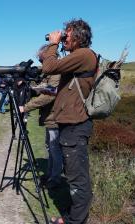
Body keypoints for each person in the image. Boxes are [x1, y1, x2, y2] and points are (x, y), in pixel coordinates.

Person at [42, 18, 97, 224]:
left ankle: (76, 221)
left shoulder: (84, 54)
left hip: (76, 126)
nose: (64, 36)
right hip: (72, 124)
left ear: (78, 36)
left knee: (77, 179)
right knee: (73, 174)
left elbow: (49, 66)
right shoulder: (78, 56)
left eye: (67, 33)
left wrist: (54, 43)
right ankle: (72, 215)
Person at [20, 45, 62, 189]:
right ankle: (50, 174)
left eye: (41, 59)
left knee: (55, 149)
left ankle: (55, 179)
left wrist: (26, 107)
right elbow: (45, 87)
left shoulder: (56, 71)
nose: (41, 62)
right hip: (51, 116)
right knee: (50, 148)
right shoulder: (51, 72)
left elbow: (50, 95)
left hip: (56, 116)